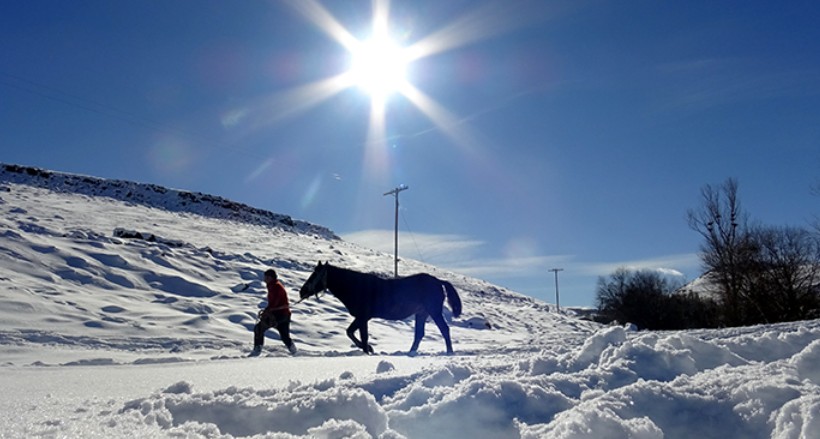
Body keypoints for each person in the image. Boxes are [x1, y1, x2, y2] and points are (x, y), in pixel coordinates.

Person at [250, 269, 297, 356]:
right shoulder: (274, 285)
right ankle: (294, 351)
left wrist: (267, 311)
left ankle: (257, 350)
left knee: (259, 328)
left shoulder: (275, 287)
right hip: (284, 314)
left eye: (267, 277)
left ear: (271, 277)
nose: (265, 279)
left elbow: (275, 303)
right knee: (284, 336)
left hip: (278, 315)